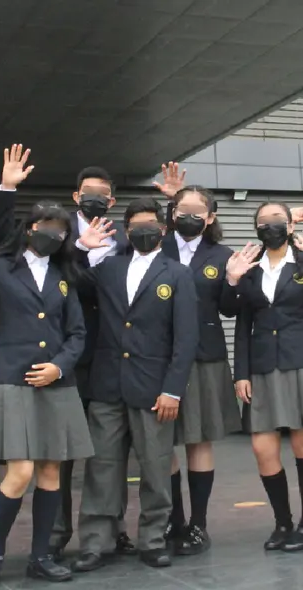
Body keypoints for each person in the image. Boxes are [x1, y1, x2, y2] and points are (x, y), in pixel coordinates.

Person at [0, 147, 135, 558]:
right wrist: (7, 190)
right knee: (55, 455)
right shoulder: (59, 237)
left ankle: (109, 531)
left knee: (109, 451)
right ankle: (53, 538)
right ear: (76, 196)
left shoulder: (126, 239)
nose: (94, 199)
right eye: (88, 191)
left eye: (102, 194)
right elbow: (5, 246)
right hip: (60, 358)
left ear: (112, 201)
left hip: (110, 356)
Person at [71, 198, 198, 571]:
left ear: (163, 230)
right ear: (126, 231)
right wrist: (80, 248)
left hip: (155, 390)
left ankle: (153, 539)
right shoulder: (109, 267)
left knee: (155, 469)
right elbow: (71, 278)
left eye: (151, 225)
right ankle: (96, 543)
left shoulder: (177, 274)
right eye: (137, 226)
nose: (144, 231)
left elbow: (185, 338)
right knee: (101, 468)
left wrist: (173, 389)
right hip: (107, 385)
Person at [152, 164, 241, 555]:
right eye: (181, 210)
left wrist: (234, 281)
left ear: (211, 217)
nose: (188, 217)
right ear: (172, 213)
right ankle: (173, 520)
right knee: (164, 440)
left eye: (197, 212)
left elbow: (230, 309)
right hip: (160, 357)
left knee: (199, 439)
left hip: (205, 358)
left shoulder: (222, 255)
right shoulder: (157, 246)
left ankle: (198, 525)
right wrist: (170, 198)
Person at [227, 202, 303, 552]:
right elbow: (241, 322)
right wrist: (241, 372)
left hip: (298, 362)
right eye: (263, 221)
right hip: (261, 366)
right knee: (262, 447)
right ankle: (282, 522)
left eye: (277, 220)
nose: (270, 226)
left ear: (290, 226)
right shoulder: (249, 267)